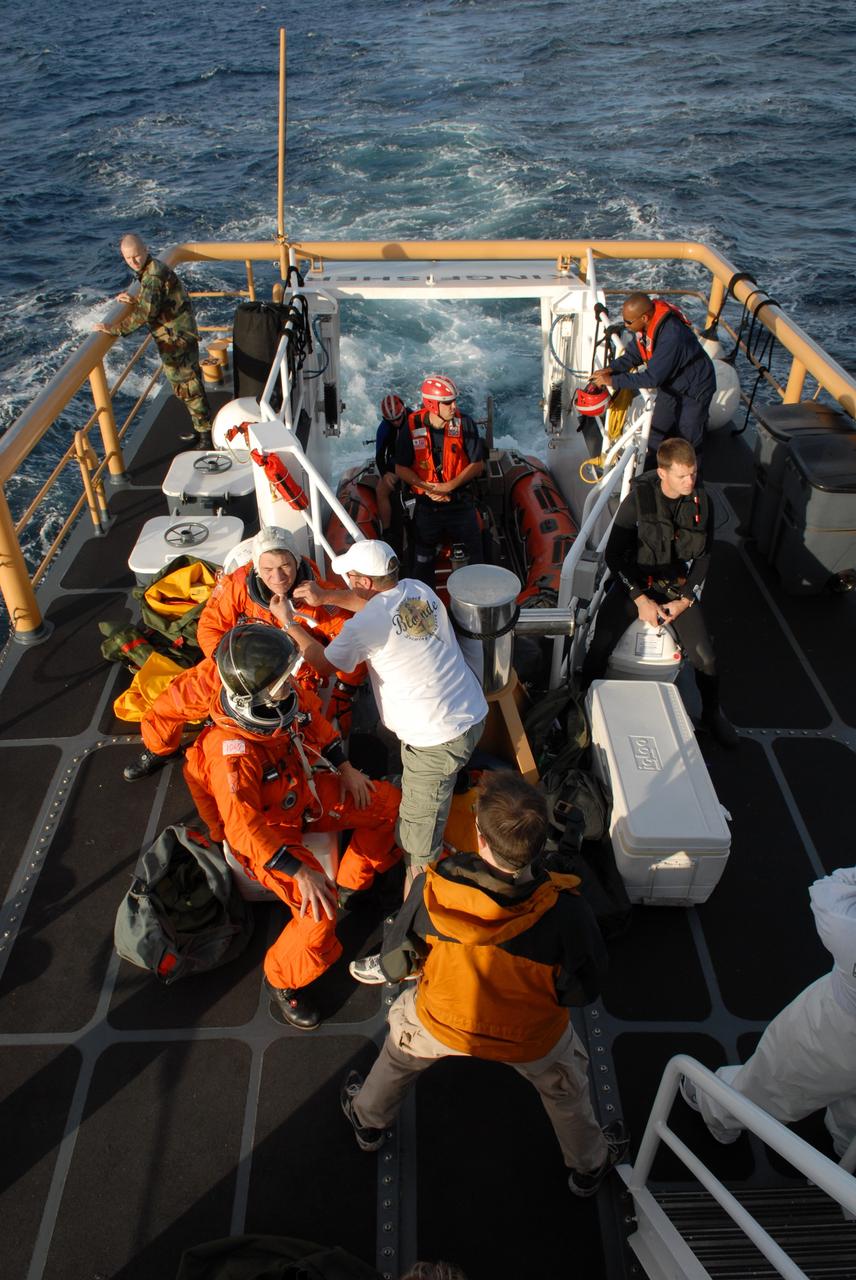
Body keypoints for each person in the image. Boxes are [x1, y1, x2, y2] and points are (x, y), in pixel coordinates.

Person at [339, 771, 629, 1197]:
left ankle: (367, 1122)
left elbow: (397, 962)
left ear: (479, 836)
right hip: (530, 1038)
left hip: (442, 1021)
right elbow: (582, 990)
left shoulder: (433, 889)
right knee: (566, 1088)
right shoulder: (568, 912)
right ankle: (589, 1166)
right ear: (540, 844)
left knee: (400, 1050)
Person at [181, 624, 402, 1030]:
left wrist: (346, 768)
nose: (291, 683)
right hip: (270, 835)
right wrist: (299, 872)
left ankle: (353, 883)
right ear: (256, 696)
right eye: (283, 681)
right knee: (318, 914)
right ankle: (282, 980)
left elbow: (314, 722)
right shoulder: (232, 755)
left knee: (390, 806)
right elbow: (244, 827)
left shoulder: (281, 697)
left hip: (302, 789)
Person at [285, 540, 487, 884]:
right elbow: (373, 604)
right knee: (425, 776)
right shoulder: (416, 588)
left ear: (364, 582)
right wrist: (326, 597)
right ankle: (439, 789)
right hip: (470, 711)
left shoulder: (363, 627)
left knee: (418, 847)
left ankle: (418, 901)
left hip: (436, 742)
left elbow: (322, 663)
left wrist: (289, 623)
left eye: (350, 578)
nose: (347, 583)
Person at [681, 865, 856, 1157]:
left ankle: (718, 1111)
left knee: (775, 1084)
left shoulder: (847, 933)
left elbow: (828, 891)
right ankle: (845, 1146)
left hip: (835, 1032)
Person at [580, 437, 738, 748]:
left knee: (706, 658)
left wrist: (684, 600)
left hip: (675, 586)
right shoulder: (637, 501)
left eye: (693, 473)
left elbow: (704, 557)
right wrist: (640, 599)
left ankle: (711, 713)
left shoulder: (701, 501)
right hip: (636, 583)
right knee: (600, 646)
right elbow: (613, 555)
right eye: (682, 475)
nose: (690, 481)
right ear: (663, 473)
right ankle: (584, 703)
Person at [198, 526, 365, 726]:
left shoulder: (320, 596)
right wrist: (229, 667)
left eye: (285, 566)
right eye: (268, 570)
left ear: (297, 562)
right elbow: (210, 627)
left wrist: (343, 693)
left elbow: (351, 647)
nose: (278, 578)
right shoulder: (238, 585)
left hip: (294, 674)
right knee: (185, 693)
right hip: (246, 665)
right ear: (256, 568)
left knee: (303, 723)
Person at [93, 233, 213, 448]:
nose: (133, 261)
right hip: (173, 335)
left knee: (188, 385)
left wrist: (113, 329)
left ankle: (206, 435)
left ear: (145, 250)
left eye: (136, 256)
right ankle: (201, 428)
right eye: (128, 258)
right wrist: (135, 300)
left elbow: (146, 314)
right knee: (185, 383)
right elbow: (154, 301)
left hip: (176, 338)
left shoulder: (153, 275)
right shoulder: (150, 270)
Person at [590, 292, 715, 470]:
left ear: (644, 317)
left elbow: (652, 378)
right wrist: (612, 368)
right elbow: (634, 355)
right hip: (671, 385)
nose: (625, 326)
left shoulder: (672, 336)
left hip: (694, 389)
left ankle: (691, 483)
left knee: (688, 441)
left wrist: (612, 380)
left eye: (628, 322)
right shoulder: (644, 328)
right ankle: (648, 474)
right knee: (656, 433)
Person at [395, 374, 486, 589]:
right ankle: (425, 598)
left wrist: (448, 487)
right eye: (448, 402)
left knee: (476, 554)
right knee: (422, 559)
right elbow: (400, 468)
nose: (454, 406)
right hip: (427, 505)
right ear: (432, 404)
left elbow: (478, 464)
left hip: (460, 503)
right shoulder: (411, 426)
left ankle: (477, 594)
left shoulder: (464, 424)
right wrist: (428, 488)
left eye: (454, 401)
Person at [375, 393, 410, 533]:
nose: (396, 422)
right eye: (391, 420)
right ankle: (387, 530)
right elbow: (379, 456)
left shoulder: (415, 420)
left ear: (404, 411)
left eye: (398, 418)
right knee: (381, 491)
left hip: (416, 461)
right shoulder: (383, 429)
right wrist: (385, 474)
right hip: (396, 464)